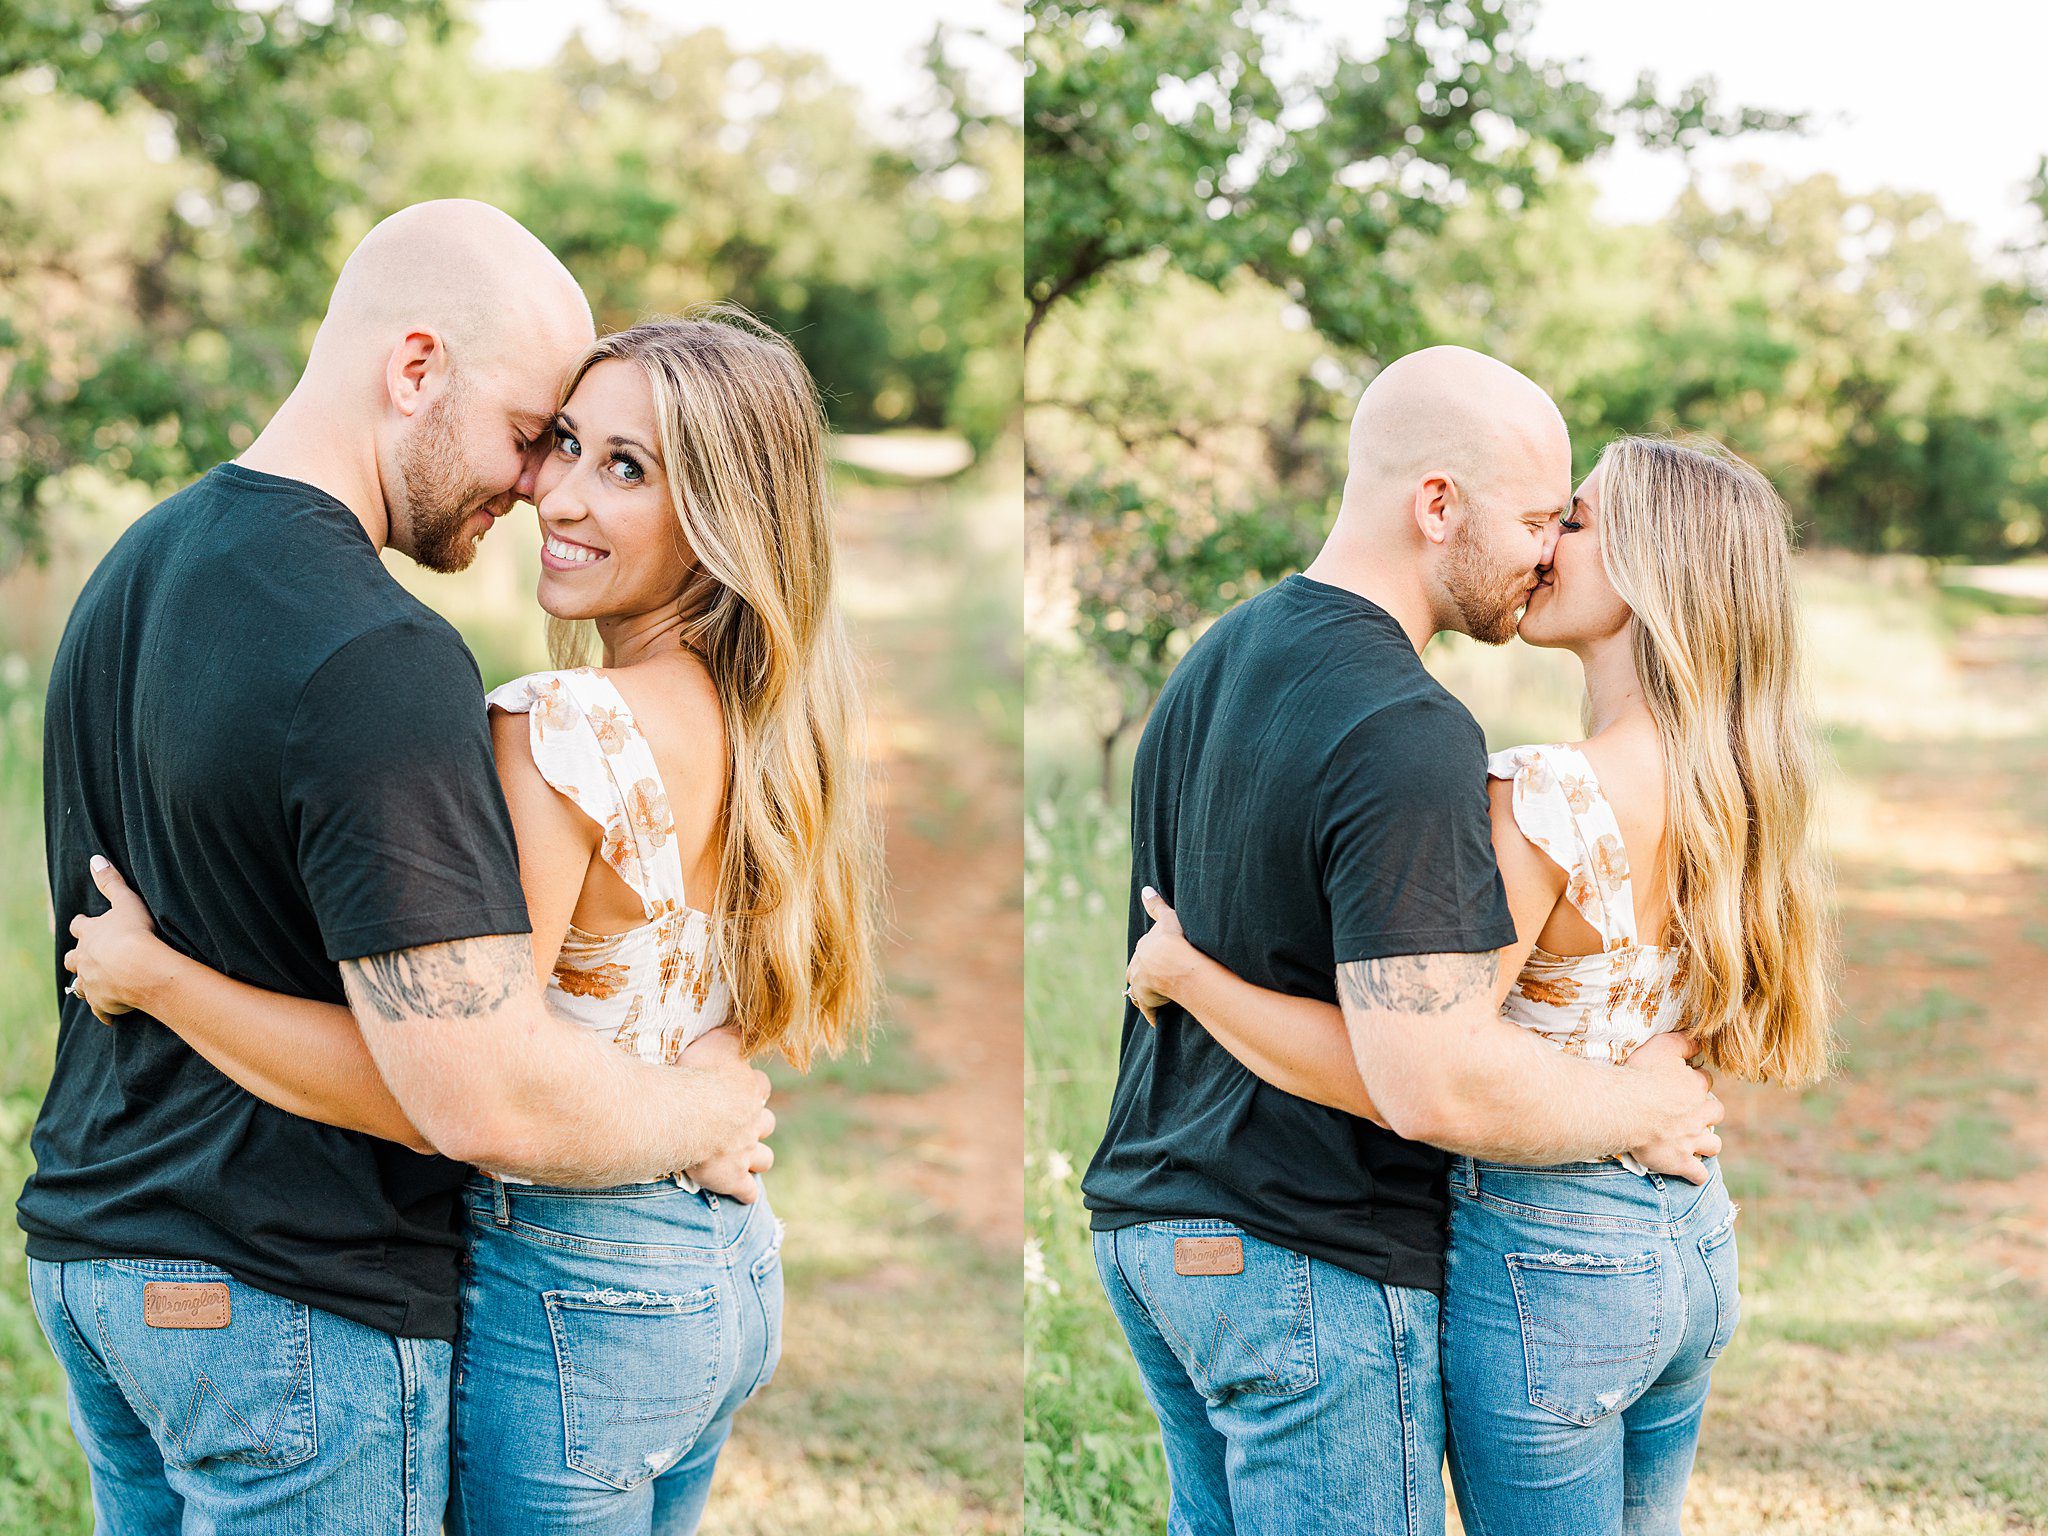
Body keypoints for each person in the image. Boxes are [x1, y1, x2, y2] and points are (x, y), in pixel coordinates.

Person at [26, 202, 777, 1535]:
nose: (535, 482)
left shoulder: (135, 567)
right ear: (416, 369)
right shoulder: (380, 657)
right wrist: (703, 1119)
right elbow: (475, 1096)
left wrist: (160, 980)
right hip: (284, 1314)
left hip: (98, 1263)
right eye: (531, 432)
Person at [1123, 432, 1835, 1535]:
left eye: (1578, 521)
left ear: (1650, 573)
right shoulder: (1737, 789)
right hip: (1687, 1241)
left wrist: (1188, 975)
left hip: (1548, 1255)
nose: (1549, 545)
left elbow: (1423, 1072)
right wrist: (1642, 1101)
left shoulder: (1545, 794)